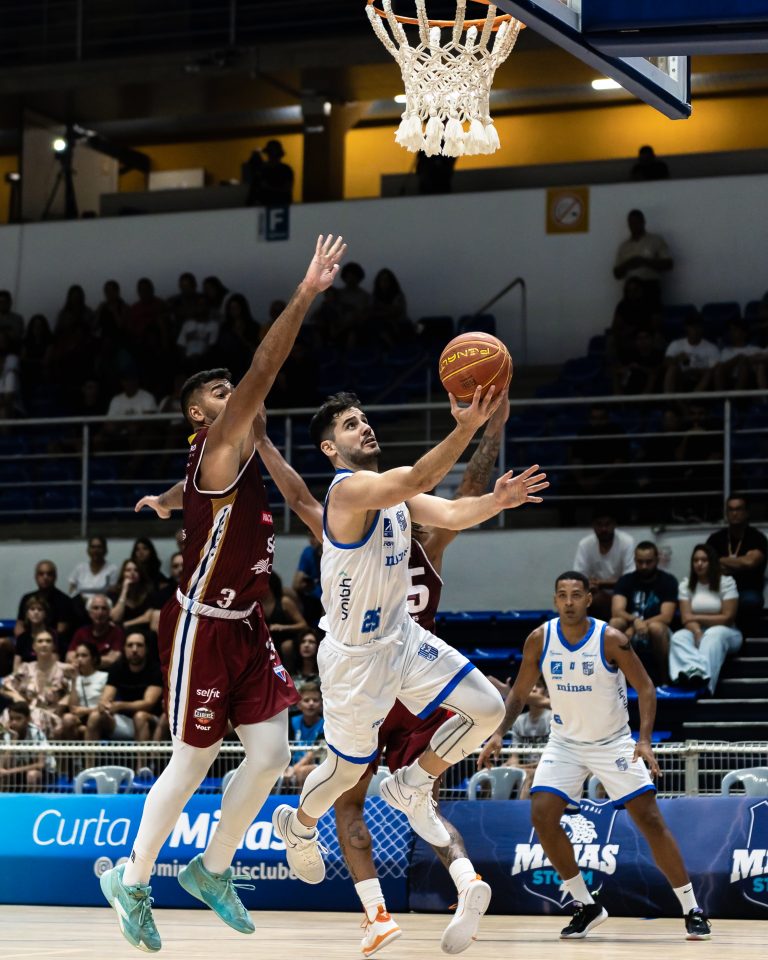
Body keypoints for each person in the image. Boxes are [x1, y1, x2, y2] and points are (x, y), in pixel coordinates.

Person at [101, 233, 347, 953]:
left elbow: (198, 492)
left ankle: (211, 870)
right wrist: (305, 293)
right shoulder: (219, 444)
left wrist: (167, 499)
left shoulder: (219, 460)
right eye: (220, 393)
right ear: (202, 419)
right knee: (192, 761)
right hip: (202, 626)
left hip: (247, 626)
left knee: (270, 755)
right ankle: (133, 883)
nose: (234, 394)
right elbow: (266, 367)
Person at [252, 394, 516, 952]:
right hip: (355, 663)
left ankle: (412, 783)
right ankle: (298, 824)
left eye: (365, 419)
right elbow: (419, 475)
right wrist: (467, 427)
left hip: (403, 640)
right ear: (331, 449)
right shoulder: (348, 492)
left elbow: (451, 514)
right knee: (344, 774)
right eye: (351, 425)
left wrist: (497, 501)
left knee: (489, 709)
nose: (365, 427)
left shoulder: (395, 497)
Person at [478, 571, 711, 942]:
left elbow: (646, 688)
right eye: (562, 595)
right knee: (541, 814)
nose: (569, 602)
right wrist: (497, 733)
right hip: (565, 743)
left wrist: (644, 740)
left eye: (576, 595)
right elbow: (519, 694)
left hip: (612, 742)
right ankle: (586, 905)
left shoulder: (611, 639)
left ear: (589, 599)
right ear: (555, 600)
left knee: (650, 819)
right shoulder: (540, 639)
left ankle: (692, 908)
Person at [669, 544, 742, 695]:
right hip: (696, 630)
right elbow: (686, 618)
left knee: (712, 635)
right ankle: (693, 673)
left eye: (704, 560)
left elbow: (727, 618)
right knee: (678, 636)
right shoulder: (686, 585)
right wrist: (697, 631)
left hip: (728, 632)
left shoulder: (727, 582)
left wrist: (695, 617)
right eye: (695, 560)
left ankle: (706, 686)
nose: (699, 564)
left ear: (712, 562)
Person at [610, 542, 679, 685]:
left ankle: (665, 680)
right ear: (635, 560)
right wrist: (635, 621)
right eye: (640, 562)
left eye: (648, 562)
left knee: (656, 628)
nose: (644, 566)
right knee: (615, 623)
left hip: (657, 632)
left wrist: (637, 626)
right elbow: (617, 611)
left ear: (657, 560)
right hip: (630, 628)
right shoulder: (625, 580)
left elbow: (666, 616)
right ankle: (614, 680)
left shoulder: (668, 581)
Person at [706, 494, 767, 636]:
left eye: (738, 509)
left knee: (751, 601)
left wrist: (720, 560)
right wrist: (740, 564)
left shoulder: (757, 537)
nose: (734, 513)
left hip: (746, 590)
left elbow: (750, 562)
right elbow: (708, 565)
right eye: (730, 509)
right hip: (720, 591)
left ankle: (743, 638)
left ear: (746, 512)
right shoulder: (715, 539)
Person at [86, 631, 162, 742]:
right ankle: (88, 754)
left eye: (139, 645)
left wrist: (120, 705)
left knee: (140, 716)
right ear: (124, 649)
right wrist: (104, 705)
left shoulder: (155, 670)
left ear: (146, 649)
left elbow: (148, 704)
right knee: (95, 716)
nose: (134, 649)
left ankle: (142, 755)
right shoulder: (117, 668)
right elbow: (106, 698)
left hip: (151, 720)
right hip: (124, 721)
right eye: (130, 645)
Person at [2, 633, 73, 739]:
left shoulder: (64, 670)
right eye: (40, 641)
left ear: (53, 646)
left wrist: (61, 706)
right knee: (7, 714)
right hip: (24, 713)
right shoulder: (26, 668)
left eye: (48, 641)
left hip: (50, 715)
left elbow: (73, 692)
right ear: (34, 647)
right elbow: (4, 686)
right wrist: (17, 697)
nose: (44, 644)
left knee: (36, 716)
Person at [573, 512, 635, 621]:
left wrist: (601, 583)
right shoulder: (585, 544)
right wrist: (589, 585)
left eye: (607, 524)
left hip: (622, 594)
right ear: (593, 526)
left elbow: (630, 579)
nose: (603, 529)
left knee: (597, 599)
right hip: (595, 593)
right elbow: (578, 577)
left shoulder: (627, 542)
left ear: (614, 524)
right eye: (599, 524)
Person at [613, 209, 673, 308]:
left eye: (636, 222)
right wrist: (628, 264)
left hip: (650, 287)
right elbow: (616, 274)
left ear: (643, 222)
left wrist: (644, 261)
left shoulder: (655, 240)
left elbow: (668, 264)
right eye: (631, 223)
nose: (633, 226)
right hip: (630, 291)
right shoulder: (624, 246)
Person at [504, 677, 552, 800]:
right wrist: (515, 765)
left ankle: (521, 811)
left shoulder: (553, 718)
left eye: (539, 685)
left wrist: (522, 768)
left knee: (529, 777)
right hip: (526, 768)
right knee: (492, 773)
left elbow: (551, 759)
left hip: (549, 767)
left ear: (547, 692)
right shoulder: (519, 721)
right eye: (531, 685)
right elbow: (514, 757)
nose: (534, 689)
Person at [0, 701, 54, 790]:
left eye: (18, 718)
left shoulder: (36, 733)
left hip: (43, 773)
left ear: (28, 719)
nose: (14, 722)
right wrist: (14, 740)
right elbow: (3, 765)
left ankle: (32, 799)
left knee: (32, 775)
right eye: (11, 718)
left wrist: (10, 771)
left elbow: (40, 764)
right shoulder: (8, 735)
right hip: (18, 772)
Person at [61, 641, 110, 738]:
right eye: (77, 656)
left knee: (90, 722)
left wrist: (86, 711)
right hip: (81, 720)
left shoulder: (104, 677)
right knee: (67, 718)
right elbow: (73, 708)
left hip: (100, 717)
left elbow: (107, 706)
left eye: (84, 656)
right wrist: (74, 680)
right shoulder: (74, 680)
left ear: (94, 659)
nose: (79, 659)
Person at [663, 314, 720, 393]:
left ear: (702, 328)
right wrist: (676, 359)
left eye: (698, 327)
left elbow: (714, 370)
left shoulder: (711, 348)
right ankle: (669, 399)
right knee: (672, 369)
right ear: (686, 328)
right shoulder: (676, 344)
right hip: (681, 379)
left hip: (701, 380)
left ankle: (691, 398)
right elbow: (666, 363)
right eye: (692, 327)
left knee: (708, 374)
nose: (695, 330)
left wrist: (695, 371)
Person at [262, 572, 309, 663]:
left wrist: (282, 627)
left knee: (286, 646)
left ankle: (289, 670)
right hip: (267, 640)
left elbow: (303, 625)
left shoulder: (285, 602)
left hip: (286, 638)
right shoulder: (256, 605)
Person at [66, 594, 125, 668]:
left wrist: (84, 660)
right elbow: (69, 657)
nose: (100, 612)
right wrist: (95, 660)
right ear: (89, 612)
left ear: (109, 612)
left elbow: (113, 659)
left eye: (104, 608)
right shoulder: (81, 632)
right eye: (95, 608)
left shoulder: (117, 632)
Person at [285, 681, 325, 788]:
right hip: (291, 765)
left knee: (302, 771)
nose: (311, 703)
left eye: (315, 700)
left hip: (316, 765)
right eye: (306, 700)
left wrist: (294, 769)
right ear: (299, 704)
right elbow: (286, 747)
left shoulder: (326, 724)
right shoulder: (291, 721)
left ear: (321, 704)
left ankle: (301, 799)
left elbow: (313, 753)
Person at [13, 595, 61, 670]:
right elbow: (16, 666)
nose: (36, 612)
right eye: (32, 609)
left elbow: (55, 664)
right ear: (27, 614)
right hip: (26, 674)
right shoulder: (22, 638)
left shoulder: (52, 635)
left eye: (40, 609)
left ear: (45, 614)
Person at [67, 536, 118, 601]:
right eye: (93, 547)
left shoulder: (112, 569)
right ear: (88, 550)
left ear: (105, 550)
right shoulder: (80, 568)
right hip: (80, 604)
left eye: (99, 547)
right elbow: (72, 589)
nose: (95, 550)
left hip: (101, 605)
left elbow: (112, 592)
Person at [108, 559, 154, 628]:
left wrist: (124, 624)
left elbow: (148, 617)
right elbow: (116, 618)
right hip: (120, 631)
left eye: (136, 570)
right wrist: (124, 590)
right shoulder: (113, 592)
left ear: (140, 574)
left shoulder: (148, 592)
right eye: (128, 570)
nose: (132, 573)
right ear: (123, 574)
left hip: (142, 628)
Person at [293, 530, 323, 627]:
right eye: (310, 536)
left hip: (329, 595)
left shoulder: (334, 554)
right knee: (287, 593)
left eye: (314, 536)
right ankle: (303, 626)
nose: (311, 540)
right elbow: (296, 584)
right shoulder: (308, 552)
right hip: (312, 593)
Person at [260, 139, 294, 206]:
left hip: (282, 205)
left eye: (273, 153)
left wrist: (268, 187)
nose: (271, 156)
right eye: (270, 153)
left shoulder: (286, 170)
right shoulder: (262, 170)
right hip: (265, 206)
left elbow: (287, 189)